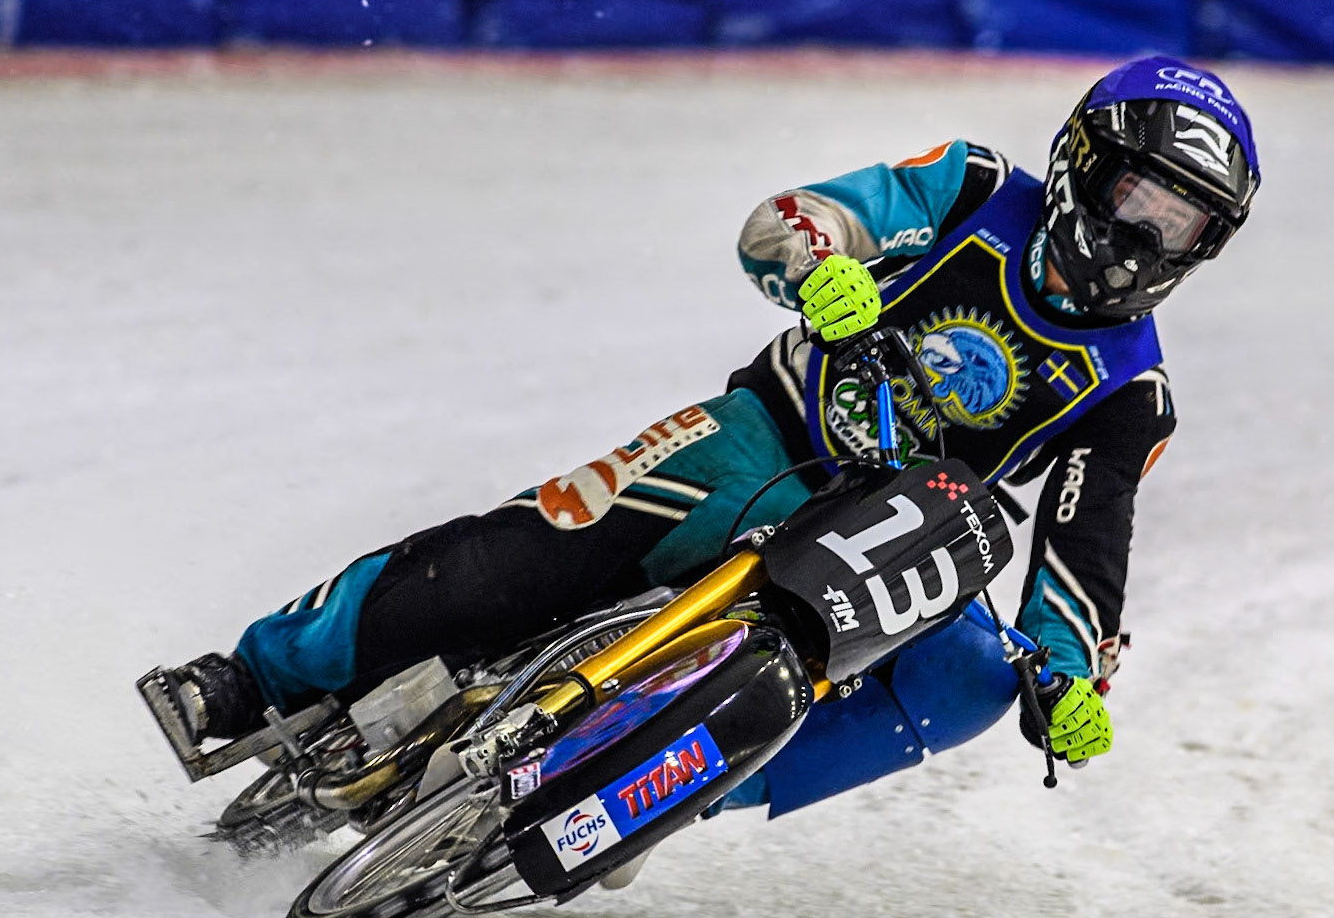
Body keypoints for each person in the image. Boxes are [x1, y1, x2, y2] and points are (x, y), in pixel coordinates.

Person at [140, 55, 1259, 819]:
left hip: (901, 542)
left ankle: (659, 795)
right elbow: (796, 216)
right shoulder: (971, 189)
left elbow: (1080, 551)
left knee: (970, 683)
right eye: (1134, 196)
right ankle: (249, 677)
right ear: (1079, 162)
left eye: (1178, 225)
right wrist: (818, 266)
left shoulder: (1131, 394)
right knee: (530, 550)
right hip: (770, 435)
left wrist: (1064, 679)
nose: (1139, 237)